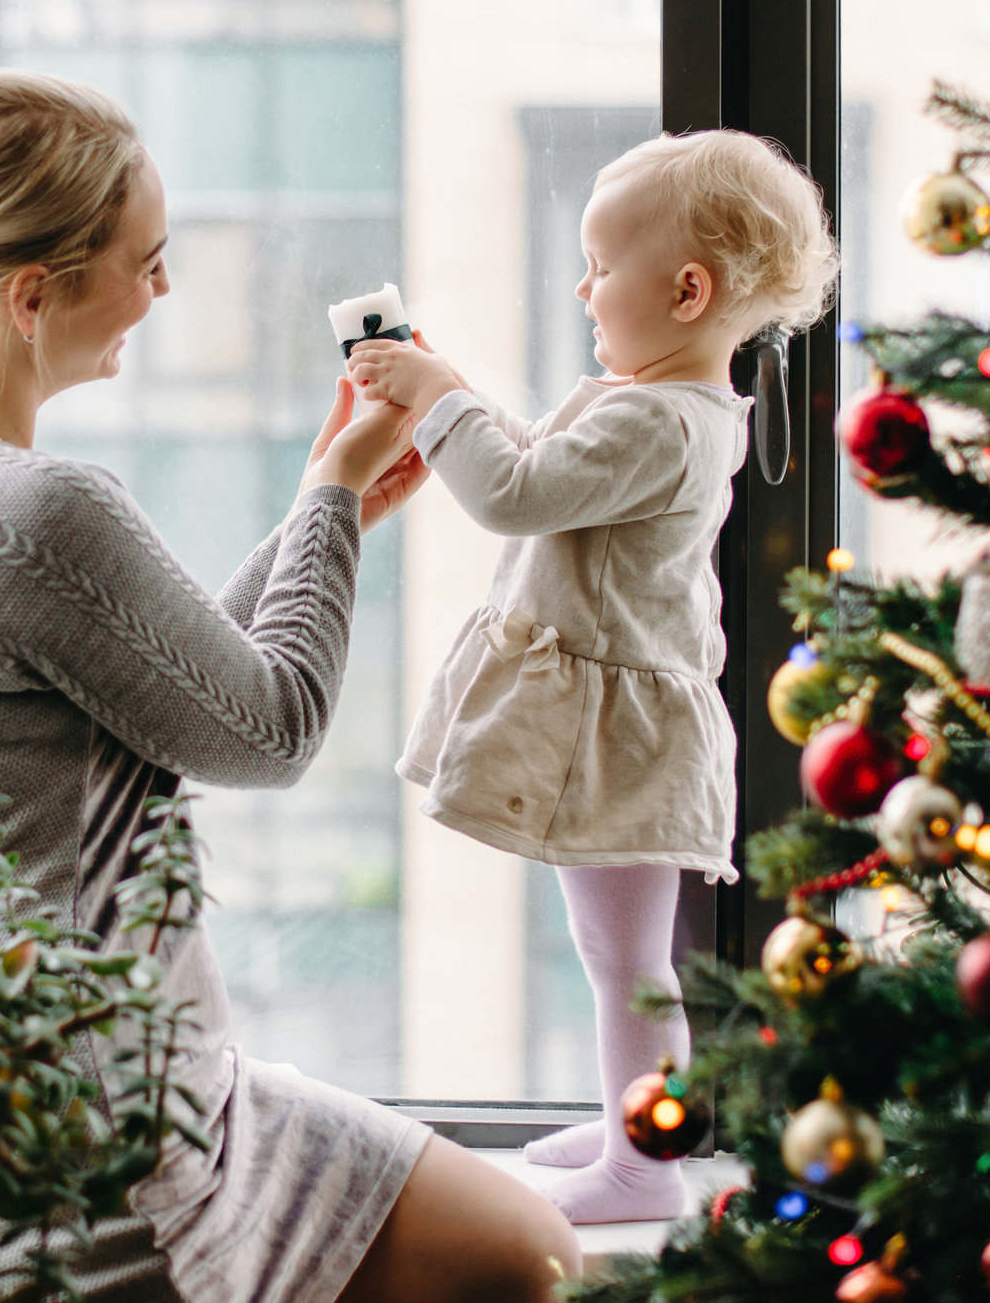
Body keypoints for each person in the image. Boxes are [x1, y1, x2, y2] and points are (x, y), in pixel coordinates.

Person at [0, 65, 583, 1302]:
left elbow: (155, 682)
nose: (163, 288)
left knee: (519, 1249)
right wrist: (332, 499)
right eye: (145, 257)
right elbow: (268, 728)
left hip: (115, 1067)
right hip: (101, 1115)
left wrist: (320, 510)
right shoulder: (38, 504)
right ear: (32, 295)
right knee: (525, 1261)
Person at [348, 130, 837, 1225]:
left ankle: (643, 1166)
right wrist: (449, 395)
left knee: (628, 961)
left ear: (687, 289)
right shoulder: (662, 408)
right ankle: (631, 1123)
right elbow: (541, 475)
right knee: (616, 950)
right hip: (627, 721)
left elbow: (515, 491)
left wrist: (438, 397)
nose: (581, 287)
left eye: (599, 265)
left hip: (626, 735)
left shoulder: (659, 418)